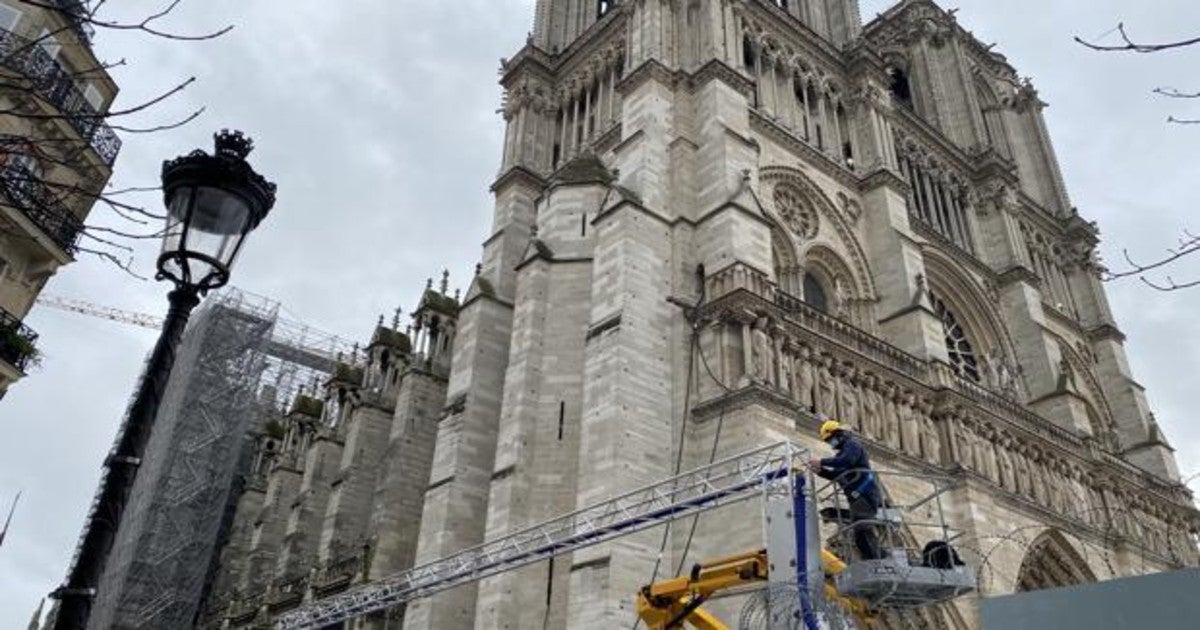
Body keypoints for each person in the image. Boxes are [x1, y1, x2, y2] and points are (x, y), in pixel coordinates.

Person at [808, 419, 884, 560]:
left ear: (838, 434)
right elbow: (838, 474)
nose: (831, 443)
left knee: (863, 528)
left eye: (830, 439)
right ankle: (873, 560)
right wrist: (820, 471)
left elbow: (847, 461)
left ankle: (878, 561)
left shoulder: (852, 445)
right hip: (856, 498)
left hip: (865, 494)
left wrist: (821, 461)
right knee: (859, 534)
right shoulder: (842, 453)